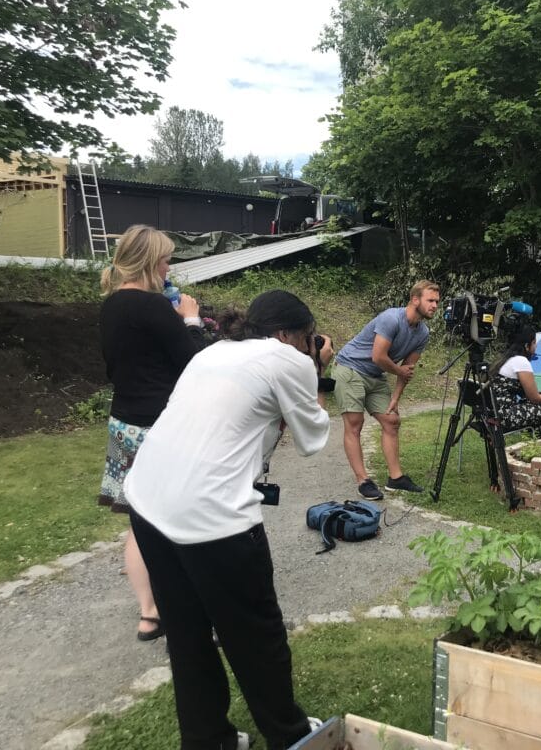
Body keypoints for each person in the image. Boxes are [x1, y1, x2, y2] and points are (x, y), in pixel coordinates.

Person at [124, 290, 332, 750]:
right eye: (307, 338)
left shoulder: (216, 350)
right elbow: (313, 436)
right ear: (287, 334)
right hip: (210, 515)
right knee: (256, 633)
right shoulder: (289, 359)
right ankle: (290, 735)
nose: (308, 345)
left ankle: (208, 740)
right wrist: (320, 367)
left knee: (187, 632)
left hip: (147, 500)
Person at [98, 224, 205, 642]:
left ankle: (149, 613)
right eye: (165, 259)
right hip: (161, 427)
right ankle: (193, 605)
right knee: (181, 517)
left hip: (124, 423)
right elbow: (191, 365)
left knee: (139, 522)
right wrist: (192, 321)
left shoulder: (111, 306)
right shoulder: (155, 307)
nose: (169, 265)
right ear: (149, 261)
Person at [331, 280, 441, 500]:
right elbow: (378, 356)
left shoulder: (423, 334)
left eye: (437, 301)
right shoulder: (391, 318)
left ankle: (396, 478)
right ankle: (363, 481)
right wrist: (399, 372)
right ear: (415, 299)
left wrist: (395, 399)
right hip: (349, 368)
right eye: (430, 300)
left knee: (392, 420)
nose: (435, 306)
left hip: (375, 375)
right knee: (355, 424)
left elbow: (406, 370)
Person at [488, 324, 541, 436]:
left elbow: (528, 396)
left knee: (537, 408)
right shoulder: (521, 361)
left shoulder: (506, 359)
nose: (536, 346)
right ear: (526, 346)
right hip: (503, 417)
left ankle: (536, 446)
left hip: (492, 413)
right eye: (534, 343)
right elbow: (535, 398)